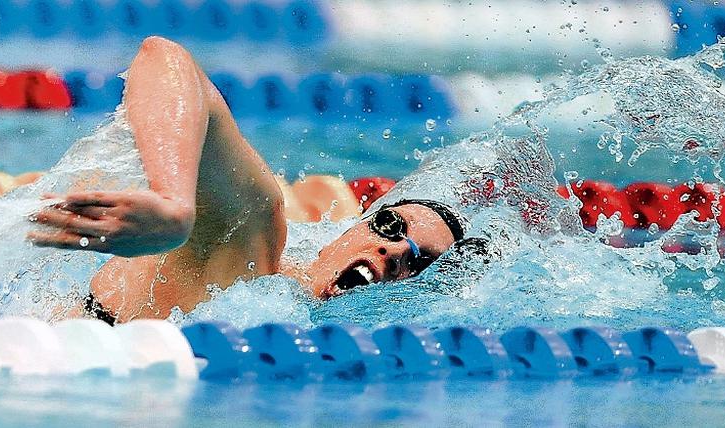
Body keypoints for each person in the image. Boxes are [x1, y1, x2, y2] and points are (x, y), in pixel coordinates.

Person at [28, 37, 468, 324]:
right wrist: (174, 206)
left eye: (420, 262)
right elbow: (164, 57)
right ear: (353, 228)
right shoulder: (252, 246)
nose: (393, 252)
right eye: (392, 227)